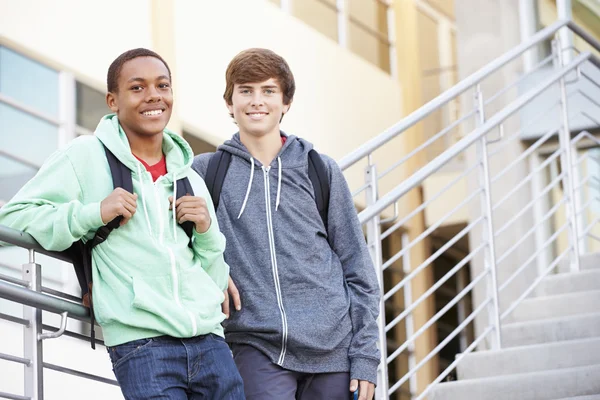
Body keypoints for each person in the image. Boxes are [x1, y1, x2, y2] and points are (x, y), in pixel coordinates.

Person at [0, 48, 244, 400]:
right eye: (138, 87)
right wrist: (93, 213)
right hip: (143, 346)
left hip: (211, 346)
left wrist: (206, 232)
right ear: (113, 101)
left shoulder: (189, 177)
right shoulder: (84, 155)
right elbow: (13, 217)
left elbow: (214, 278)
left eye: (162, 85)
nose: (153, 96)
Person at [193, 48, 380, 400]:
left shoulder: (320, 170)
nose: (256, 101)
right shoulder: (207, 172)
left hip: (333, 349)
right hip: (255, 344)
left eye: (268, 91)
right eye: (245, 91)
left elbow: (358, 269)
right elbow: (178, 243)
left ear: (286, 102)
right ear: (229, 103)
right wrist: (212, 269)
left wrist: (365, 356)